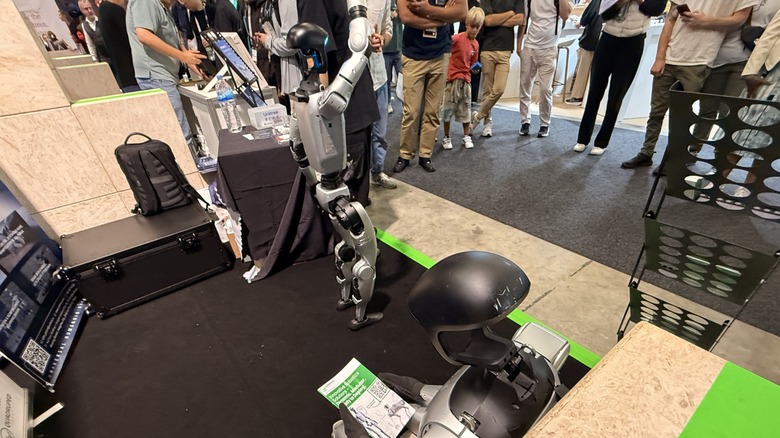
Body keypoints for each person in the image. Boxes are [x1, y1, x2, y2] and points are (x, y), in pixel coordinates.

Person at [620, 0, 756, 170]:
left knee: (683, 118)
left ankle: (673, 160)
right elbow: (670, 19)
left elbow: (739, 20)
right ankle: (646, 152)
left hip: (700, 61)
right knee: (657, 110)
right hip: (670, 58)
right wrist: (660, 57)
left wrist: (705, 21)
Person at [297, 0, 380, 206]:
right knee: (347, 195)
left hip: (344, 110)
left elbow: (320, 58)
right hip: (345, 107)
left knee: (346, 196)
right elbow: (321, 56)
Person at [572, 0, 666, 156]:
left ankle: (602, 142)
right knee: (594, 92)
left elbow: (655, 9)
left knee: (616, 95)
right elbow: (605, 14)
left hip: (634, 41)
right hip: (608, 38)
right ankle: (582, 139)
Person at [393, 0, 468, 174]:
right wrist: (443, 18)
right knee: (411, 111)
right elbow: (406, 17)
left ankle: (425, 154)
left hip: (440, 54)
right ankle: (405, 154)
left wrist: (426, 10)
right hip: (413, 55)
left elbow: (462, 12)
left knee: (433, 111)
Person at [127, 0, 206, 158]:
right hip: (156, 77)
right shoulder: (146, 2)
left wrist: (193, 63)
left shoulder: (162, 7)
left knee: (181, 130)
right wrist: (182, 56)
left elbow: (173, 42)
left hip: (164, 76)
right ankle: (192, 174)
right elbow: (144, 35)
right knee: (180, 133)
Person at [470, 0, 523, 138]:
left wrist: (497, 19)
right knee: (488, 90)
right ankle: (487, 123)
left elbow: (520, 19)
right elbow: (487, 21)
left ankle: (477, 117)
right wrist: (510, 14)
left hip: (505, 50)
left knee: (499, 89)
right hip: (488, 48)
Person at [441, 6, 485, 150]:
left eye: (477, 27)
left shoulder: (476, 44)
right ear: (466, 24)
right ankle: (446, 137)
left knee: (465, 109)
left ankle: (466, 135)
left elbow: (473, 63)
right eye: (472, 26)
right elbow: (445, 49)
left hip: (466, 81)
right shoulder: (457, 38)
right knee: (447, 109)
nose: (474, 30)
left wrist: (476, 69)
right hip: (451, 79)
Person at [367, 0, 399, 189]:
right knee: (356, 134)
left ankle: (377, 171)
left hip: (378, 74)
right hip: (351, 75)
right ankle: (355, 178)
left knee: (380, 131)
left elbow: (388, 29)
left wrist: (382, 39)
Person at [253, 0, 302, 111]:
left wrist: (268, 41)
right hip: (286, 73)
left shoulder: (286, 2)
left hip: (297, 77)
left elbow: (291, 44)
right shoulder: (273, 3)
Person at [564, 0, 601, 106]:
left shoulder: (597, 1)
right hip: (601, 39)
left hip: (591, 39)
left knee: (583, 69)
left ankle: (577, 96)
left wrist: (581, 22)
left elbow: (588, 15)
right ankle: (583, 97)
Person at [99, 0, 141, 92]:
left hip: (124, 75)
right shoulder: (113, 10)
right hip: (132, 73)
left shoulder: (104, 9)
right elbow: (131, 39)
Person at [384, 0, 403, 114]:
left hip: (399, 47)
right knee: (386, 79)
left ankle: (405, 104)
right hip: (386, 50)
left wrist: (398, 14)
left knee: (403, 78)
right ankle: (387, 103)